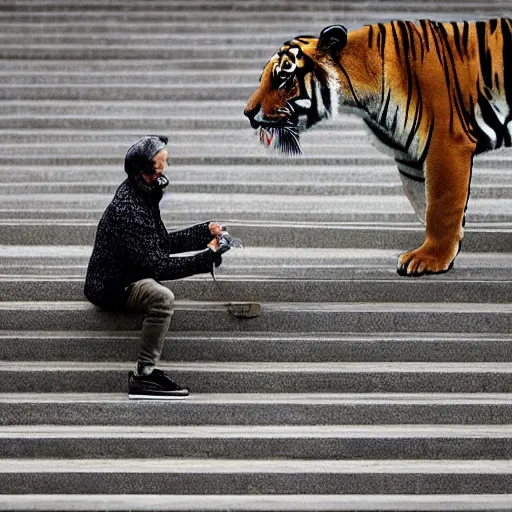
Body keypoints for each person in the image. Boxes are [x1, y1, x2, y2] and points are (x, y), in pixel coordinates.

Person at [84, 135, 230, 400]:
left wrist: (203, 232)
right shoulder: (130, 209)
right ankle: (144, 375)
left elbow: (159, 244)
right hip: (112, 285)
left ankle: (146, 376)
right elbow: (159, 266)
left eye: (165, 165)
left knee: (159, 287)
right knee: (162, 297)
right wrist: (207, 257)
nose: (163, 172)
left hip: (130, 270)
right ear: (144, 172)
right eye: (159, 167)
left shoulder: (142, 193)